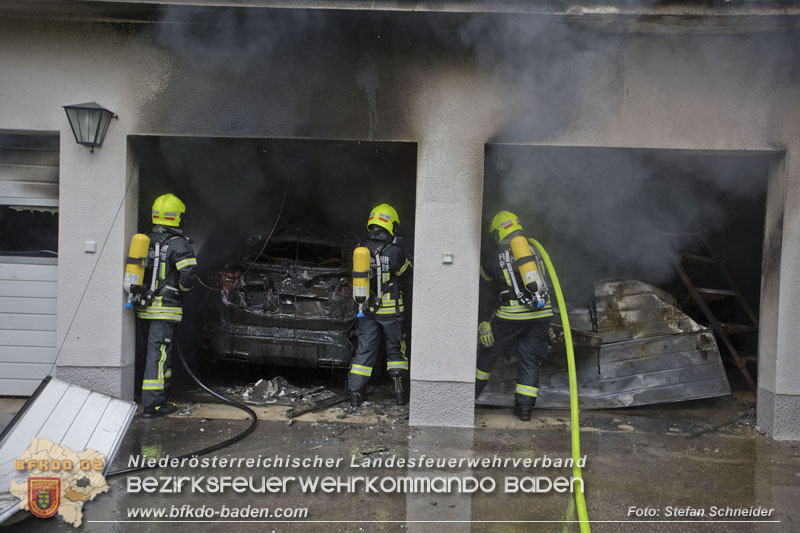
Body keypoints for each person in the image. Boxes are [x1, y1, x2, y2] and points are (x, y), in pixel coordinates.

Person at [474, 211, 552, 421]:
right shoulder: (536, 251)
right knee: (530, 360)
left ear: (498, 233)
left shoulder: (492, 260)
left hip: (511, 316)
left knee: (488, 353)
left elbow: (485, 292)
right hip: (542, 313)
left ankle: (469, 398)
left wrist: (484, 321)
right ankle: (524, 411)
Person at [136, 193, 197, 418]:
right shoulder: (179, 244)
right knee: (159, 353)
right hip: (164, 308)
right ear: (177, 217)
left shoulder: (145, 239)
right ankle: (154, 404)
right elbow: (188, 276)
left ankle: (161, 391)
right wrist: (183, 291)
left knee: (157, 352)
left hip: (144, 307)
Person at [348, 203, 413, 407]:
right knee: (395, 351)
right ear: (390, 225)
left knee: (364, 351)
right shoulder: (394, 251)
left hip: (366, 311)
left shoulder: (360, 249)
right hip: (392, 313)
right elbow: (406, 274)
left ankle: (355, 394)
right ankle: (399, 393)